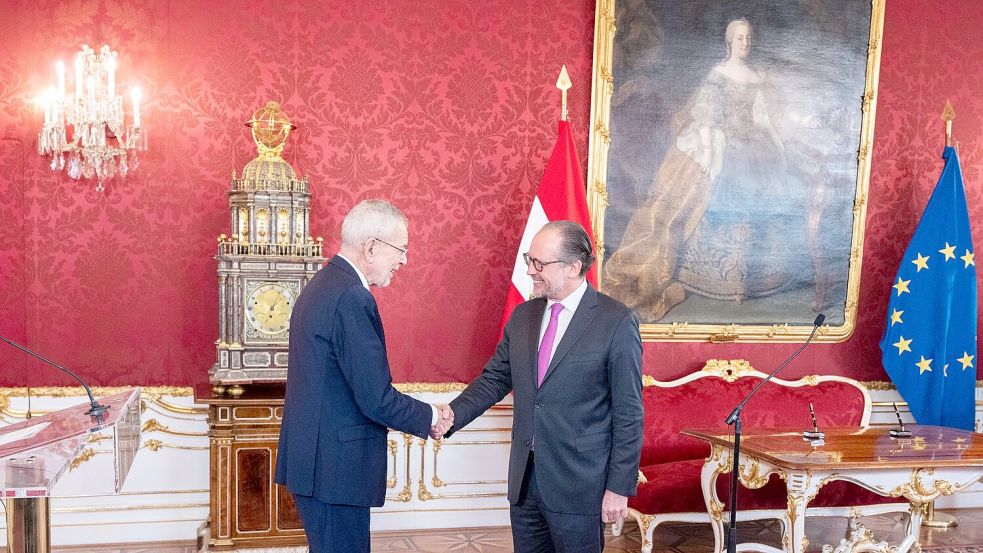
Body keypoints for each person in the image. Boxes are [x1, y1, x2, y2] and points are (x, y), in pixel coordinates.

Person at [444, 220, 644, 553]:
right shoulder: (523, 316)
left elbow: (629, 413)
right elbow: (494, 379)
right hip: (525, 480)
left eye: (539, 263)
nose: (530, 271)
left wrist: (618, 487)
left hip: (580, 484)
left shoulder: (616, 322)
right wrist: (450, 415)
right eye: (529, 260)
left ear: (573, 267)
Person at [274, 199, 454, 553]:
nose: (404, 260)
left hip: (317, 463)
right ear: (372, 247)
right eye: (400, 249)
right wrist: (431, 416)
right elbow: (375, 398)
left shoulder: (324, 284)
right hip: (334, 470)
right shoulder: (352, 296)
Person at [605, 18, 805, 322]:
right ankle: (706, 271)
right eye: (739, 38)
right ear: (730, 41)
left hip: (752, 144)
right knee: (689, 192)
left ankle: (755, 273)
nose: (745, 43)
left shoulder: (757, 76)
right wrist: (714, 140)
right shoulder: (718, 74)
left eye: (748, 38)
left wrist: (776, 145)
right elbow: (706, 112)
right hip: (721, 138)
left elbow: (761, 116)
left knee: (766, 182)